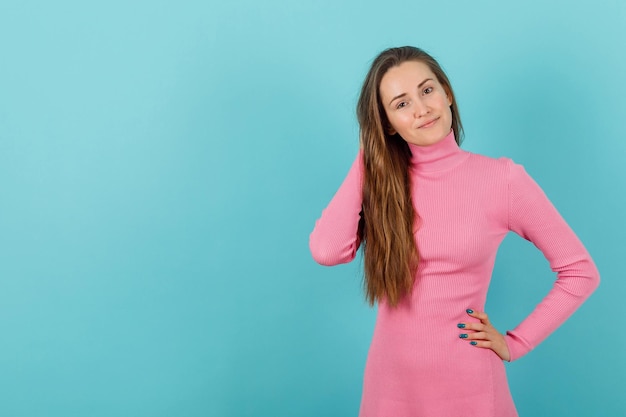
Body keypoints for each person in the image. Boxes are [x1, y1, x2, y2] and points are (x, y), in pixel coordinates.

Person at [309, 46, 600, 417]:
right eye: (401, 104)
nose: (421, 108)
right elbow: (327, 250)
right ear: (386, 124)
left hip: (471, 388)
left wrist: (516, 342)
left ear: (446, 92)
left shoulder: (503, 180)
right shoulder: (383, 188)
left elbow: (580, 271)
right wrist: (370, 154)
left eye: (427, 90)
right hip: (390, 388)